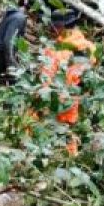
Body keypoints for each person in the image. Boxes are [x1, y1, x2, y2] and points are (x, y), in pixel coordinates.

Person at [41, 8, 96, 138]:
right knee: (70, 135)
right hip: (78, 101)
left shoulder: (55, 51)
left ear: (61, 27)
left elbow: (46, 79)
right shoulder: (90, 47)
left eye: (55, 27)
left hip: (57, 102)